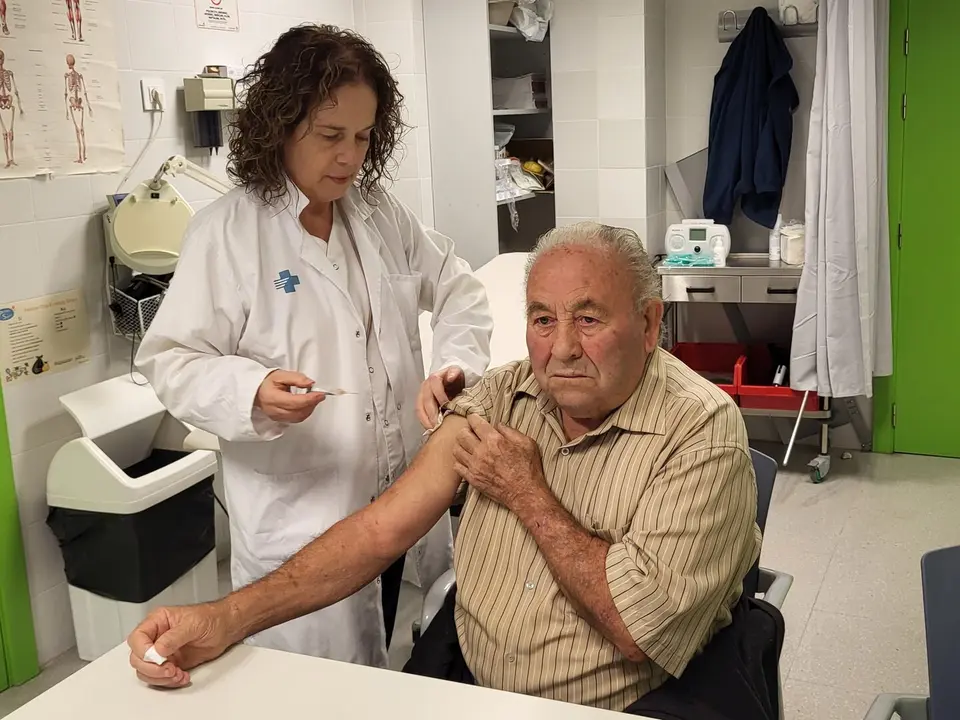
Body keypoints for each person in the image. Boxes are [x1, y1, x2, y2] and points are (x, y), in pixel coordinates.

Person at [129, 223, 760, 712]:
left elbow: (637, 629)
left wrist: (528, 491)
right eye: (542, 320)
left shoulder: (701, 433)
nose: (562, 348)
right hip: (471, 687)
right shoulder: (504, 397)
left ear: (649, 324)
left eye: (589, 319)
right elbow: (381, 531)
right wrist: (224, 618)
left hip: (618, 707)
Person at [134, 24, 492, 669]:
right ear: (280, 124)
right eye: (330, 135)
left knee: (409, 662)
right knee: (322, 690)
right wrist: (252, 390)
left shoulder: (379, 214)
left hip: (403, 507)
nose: (349, 157)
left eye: (363, 137)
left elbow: (459, 289)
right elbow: (171, 361)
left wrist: (453, 367)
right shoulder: (228, 234)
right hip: (303, 524)